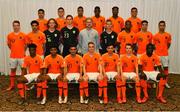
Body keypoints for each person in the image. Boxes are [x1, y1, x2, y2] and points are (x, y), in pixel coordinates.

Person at [6, 20, 27, 90]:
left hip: (22, 56)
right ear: (13, 26)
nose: (16, 27)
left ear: (19, 26)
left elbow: (26, 45)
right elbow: (9, 45)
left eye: (17, 25)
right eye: (14, 25)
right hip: (13, 56)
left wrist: (23, 51)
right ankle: (12, 85)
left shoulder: (23, 35)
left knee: (24, 71)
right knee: (12, 71)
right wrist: (14, 50)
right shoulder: (10, 35)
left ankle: (25, 85)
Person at [153, 21, 172, 88]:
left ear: (165, 26)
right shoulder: (155, 36)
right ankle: (155, 82)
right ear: (158, 26)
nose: (162, 27)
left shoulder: (168, 35)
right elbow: (154, 46)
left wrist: (165, 49)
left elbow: (169, 44)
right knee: (155, 68)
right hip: (157, 55)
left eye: (163, 25)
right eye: (160, 25)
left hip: (165, 55)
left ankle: (165, 82)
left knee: (165, 68)